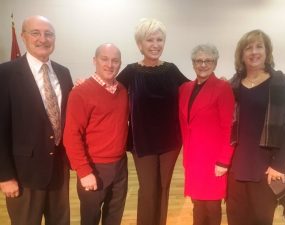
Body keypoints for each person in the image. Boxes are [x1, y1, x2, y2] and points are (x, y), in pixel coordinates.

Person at [0, 15, 73, 225]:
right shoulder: (5, 74)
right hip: (24, 174)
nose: (43, 39)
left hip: (59, 169)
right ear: (23, 37)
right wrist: (5, 175)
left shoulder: (63, 72)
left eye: (48, 34)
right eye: (35, 33)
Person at [116, 18, 189, 225]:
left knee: (164, 187)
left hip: (170, 142)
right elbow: (110, 90)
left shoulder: (171, 69)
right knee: (148, 189)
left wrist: (218, 82)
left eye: (159, 39)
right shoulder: (131, 71)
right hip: (143, 141)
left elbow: (193, 90)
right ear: (140, 44)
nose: (155, 44)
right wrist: (85, 83)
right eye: (150, 40)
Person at [226, 29, 285, 225]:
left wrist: (280, 164)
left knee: (261, 219)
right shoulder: (233, 86)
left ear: (267, 52)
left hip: (266, 167)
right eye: (248, 48)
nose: (254, 52)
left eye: (259, 46)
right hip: (236, 167)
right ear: (241, 55)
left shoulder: (282, 83)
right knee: (236, 218)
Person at [63, 43, 129, 225]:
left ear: (120, 63)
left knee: (114, 217)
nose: (110, 64)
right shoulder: (80, 92)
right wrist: (84, 171)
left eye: (115, 60)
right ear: (95, 61)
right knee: (90, 219)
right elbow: (71, 135)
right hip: (94, 167)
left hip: (120, 166)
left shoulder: (123, 91)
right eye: (104, 59)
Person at [178, 44, 235, 225]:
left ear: (215, 63)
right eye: (198, 61)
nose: (203, 64)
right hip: (193, 158)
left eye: (208, 60)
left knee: (212, 207)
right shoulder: (185, 88)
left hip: (213, 160)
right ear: (193, 63)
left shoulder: (222, 88)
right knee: (197, 205)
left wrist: (224, 160)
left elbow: (229, 127)